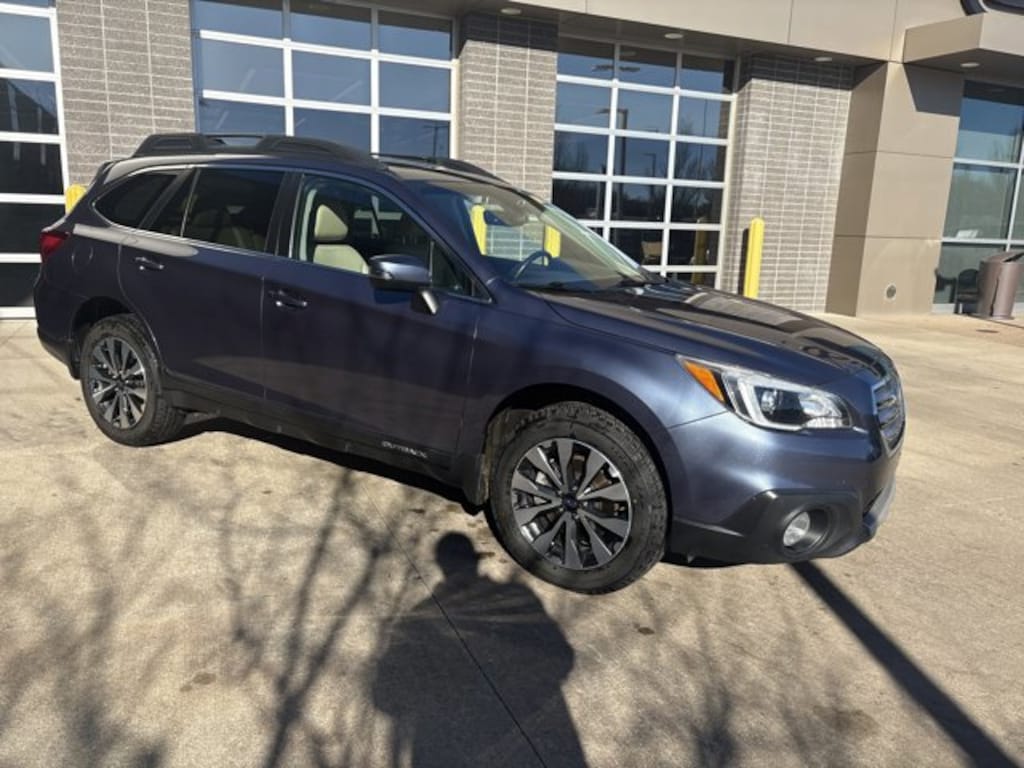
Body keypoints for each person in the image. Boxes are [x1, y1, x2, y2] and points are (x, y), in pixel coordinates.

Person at [372, 533, 587, 768]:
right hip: (529, 747)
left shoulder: (418, 621)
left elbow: (387, 698)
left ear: (442, 567)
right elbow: (561, 657)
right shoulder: (518, 599)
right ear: (475, 561)